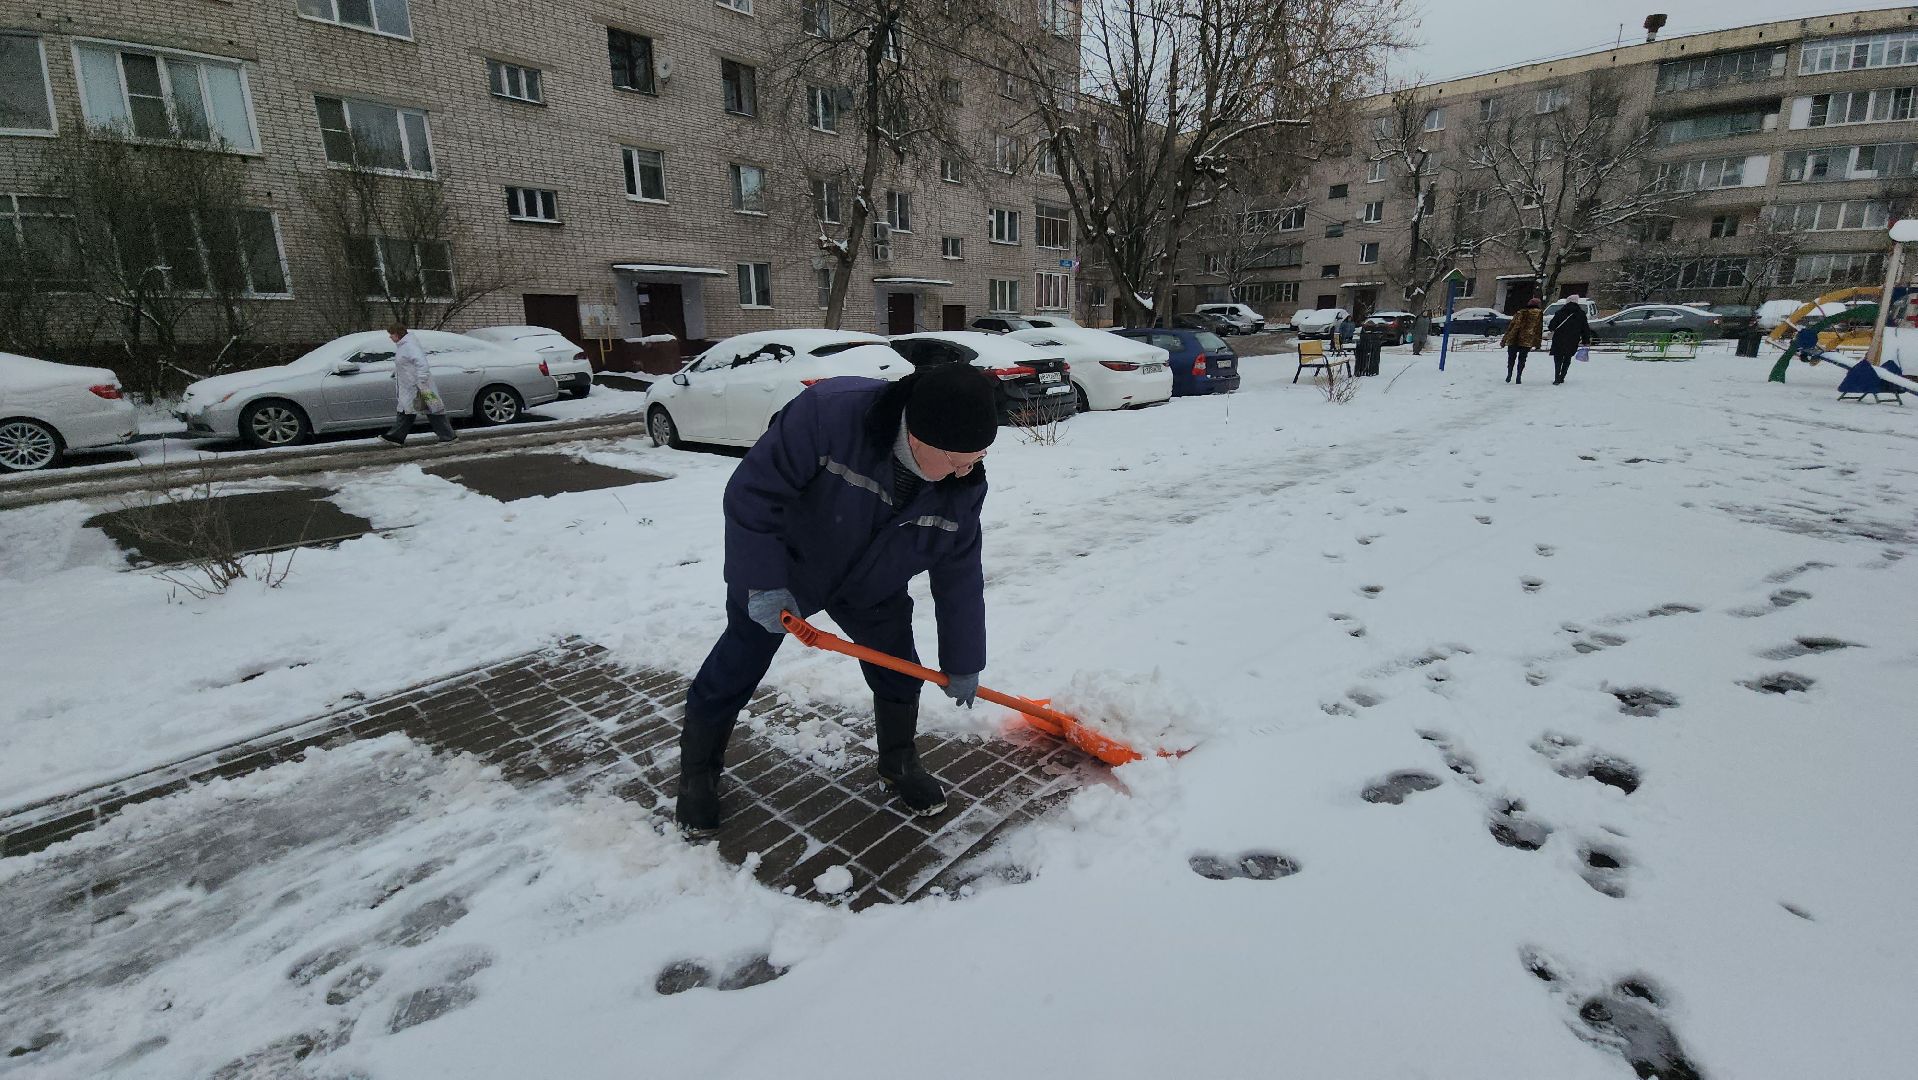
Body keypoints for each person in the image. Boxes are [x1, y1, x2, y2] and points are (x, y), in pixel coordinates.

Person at [674, 362, 998, 834]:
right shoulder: (831, 416)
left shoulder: (962, 486)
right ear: (917, 436)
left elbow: (960, 573)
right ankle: (697, 776)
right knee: (735, 665)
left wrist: (965, 660)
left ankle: (899, 761)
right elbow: (753, 494)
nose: (967, 470)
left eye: (979, 457)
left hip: (873, 584)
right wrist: (761, 582)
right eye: (957, 459)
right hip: (788, 567)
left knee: (897, 671)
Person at [381, 322, 456, 445]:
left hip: (419, 386)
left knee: (432, 409)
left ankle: (448, 436)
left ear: (398, 334)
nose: (390, 337)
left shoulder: (409, 346)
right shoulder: (404, 346)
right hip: (412, 386)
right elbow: (407, 364)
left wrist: (421, 381)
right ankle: (396, 437)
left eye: (392, 334)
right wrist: (397, 372)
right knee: (410, 410)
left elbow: (422, 364)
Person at [1546, 297, 1595, 386]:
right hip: (1573, 339)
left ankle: (1557, 377)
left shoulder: (1560, 312)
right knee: (1567, 358)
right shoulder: (1581, 314)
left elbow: (1551, 326)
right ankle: (1562, 377)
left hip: (1559, 339)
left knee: (1558, 358)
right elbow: (1585, 329)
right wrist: (1585, 341)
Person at [1503, 298, 1544, 383]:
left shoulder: (1520, 312)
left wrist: (1504, 339)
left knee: (1511, 358)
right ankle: (1519, 376)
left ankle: (1509, 374)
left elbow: (1512, 326)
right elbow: (1538, 329)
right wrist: (1538, 342)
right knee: (1522, 359)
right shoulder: (1539, 314)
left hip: (1514, 337)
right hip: (1527, 339)